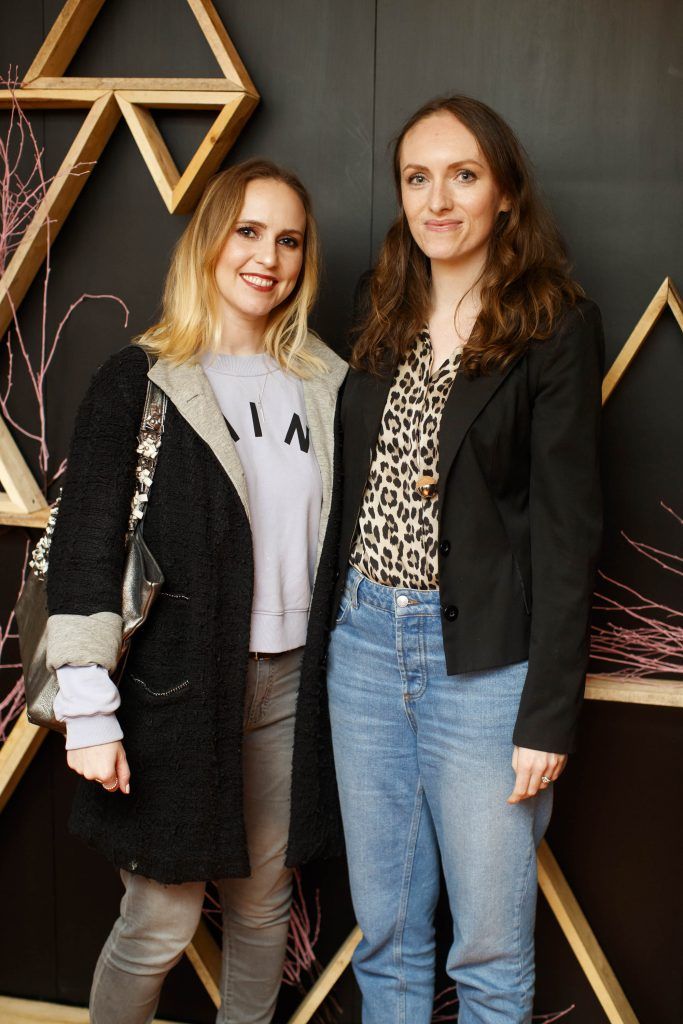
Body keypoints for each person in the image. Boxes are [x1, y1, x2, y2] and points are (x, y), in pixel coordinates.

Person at [46, 158, 346, 1024]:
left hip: (294, 686)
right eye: (248, 231)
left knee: (261, 910)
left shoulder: (329, 384)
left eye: (289, 239)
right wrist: (91, 713)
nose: (269, 257)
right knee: (159, 921)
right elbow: (85, 550)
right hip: (169, 691)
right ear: (209, 240)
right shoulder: (137, 379)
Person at [327, 96, 604, 1023]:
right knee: (388, 937)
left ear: (504, 192)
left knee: (485, 952)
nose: (436, 199)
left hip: (485, 671)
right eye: (416, 177)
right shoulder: (380, 313)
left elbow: (569, 533)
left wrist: (548, 714)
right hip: (364, 647)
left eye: (462, 174)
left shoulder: (554, 326)